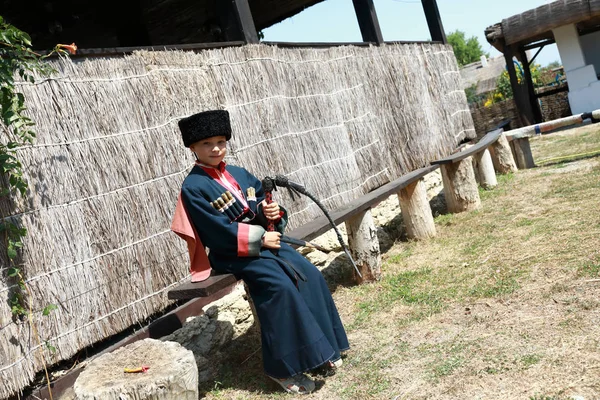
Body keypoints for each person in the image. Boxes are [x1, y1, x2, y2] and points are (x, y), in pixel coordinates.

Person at [175, 110, 349, 395]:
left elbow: (259, 206)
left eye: (220, 141)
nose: (216, 148)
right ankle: (283, 368)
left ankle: (321, 350)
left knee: (309, 274)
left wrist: (271, 212)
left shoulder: (239, 174)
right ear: (192, 147)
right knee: (279, 287)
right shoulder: (193, 187)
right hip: (231, 252)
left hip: (264, 242)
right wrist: (261, 238)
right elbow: (215, 231)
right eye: (207, 143)